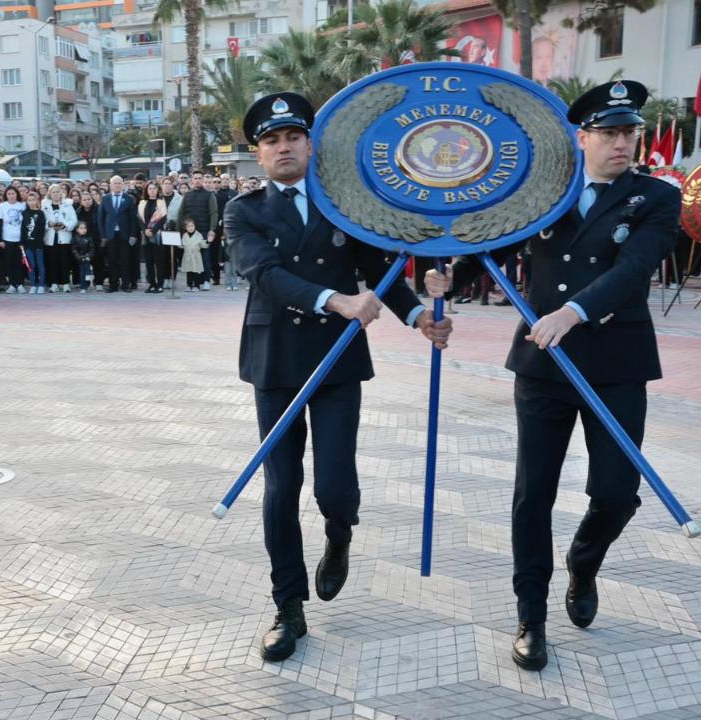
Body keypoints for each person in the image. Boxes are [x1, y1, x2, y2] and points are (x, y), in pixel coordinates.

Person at [425, 80, 680, 672]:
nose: (622, 144)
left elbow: (635, 270)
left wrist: (573, 312)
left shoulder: (656, 199)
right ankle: (531, 617)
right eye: (610, 133)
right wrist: (448, 283)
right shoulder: (544, 193)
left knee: (617, 492)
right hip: (543, 366)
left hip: (615, 362)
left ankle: (584, 562)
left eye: (629, 133)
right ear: (582, 137)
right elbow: (493, 246)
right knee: (531, 494)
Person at [225, 92, 453, 663]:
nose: (283, 148)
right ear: (259, 154)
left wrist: (420, 316)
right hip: (276, 358)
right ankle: (288, 607)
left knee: (333, 485)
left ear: (310, 144)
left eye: (293, 138)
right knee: (280, 489)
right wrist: (336, 300)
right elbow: (265, 274)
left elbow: (381, 271)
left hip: (337, 359)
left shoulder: (344, 206)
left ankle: (340, 535)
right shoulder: (243, 210)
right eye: (271, 141)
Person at [97, 175, 139, 293]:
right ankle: (113, 285)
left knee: (125, 260)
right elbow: (101, 218)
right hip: (110, 235)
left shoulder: (129, 199)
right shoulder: (105, 199)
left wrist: (133, 234)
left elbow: (133, 219)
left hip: (124, 234)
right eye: (115, 183)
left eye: (119, 183)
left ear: (123, 185)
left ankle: (126, 285)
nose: (117, 185)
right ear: (110, 185)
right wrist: (103, 235)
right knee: (112, 261)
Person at [21, 190, 46, 294]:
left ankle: (41, 285)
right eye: (29, 200)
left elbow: (42, 229)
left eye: (33, 200)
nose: (31, 202)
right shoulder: (25, 213)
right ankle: (33, 284)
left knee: (40, 265)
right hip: (28, 244)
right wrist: (22, 243)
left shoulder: (40, 213)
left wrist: (38, 241)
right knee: (31, 265)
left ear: (37, 201)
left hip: (38, 244)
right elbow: (23, 228)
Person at [71, 220, 94, 293]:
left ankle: (87, 283)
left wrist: (88, 256)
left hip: (87, 258)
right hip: (80, 258)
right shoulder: (75, 239)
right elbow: (74, 250)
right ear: (77, 229)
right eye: (81, 228)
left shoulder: (89, 238)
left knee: (87, 270)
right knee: (82, 272)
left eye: (85, 228)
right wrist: (80, 257)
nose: (83, 230)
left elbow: (92, 249)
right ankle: (83, 286)